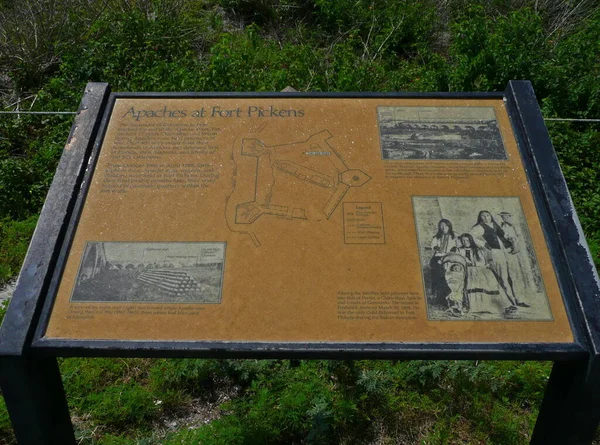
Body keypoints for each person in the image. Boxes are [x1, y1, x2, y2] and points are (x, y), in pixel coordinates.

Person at [470, 210, 530, 309]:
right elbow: (471, 236)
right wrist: (483, 244)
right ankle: (510, 302)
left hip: (506, 251)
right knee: (503, 278)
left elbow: (503, 235)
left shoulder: (495, 224)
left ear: (490, 216)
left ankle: (518, 299)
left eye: (487, 215)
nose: (486, 217)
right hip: (495, 253)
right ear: (480, 218)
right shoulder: (479, 227)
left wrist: (509, 238)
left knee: (513, 276)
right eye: (483, 216)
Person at [455, 233, 514, 315]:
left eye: (467, 240)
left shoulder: (477, 249)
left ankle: (490, 305)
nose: (466, 242)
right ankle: (472, 306)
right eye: (463, 240)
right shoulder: (459, 250)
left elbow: (482, 261)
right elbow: (458, 260)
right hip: (466, 269)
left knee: (488, 278)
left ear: (471, 240)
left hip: (477, 268)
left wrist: (474, 264)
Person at [429, 219, 458, 302]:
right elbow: (433, 245)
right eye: (441, 226)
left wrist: (453, 249)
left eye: (445, 225)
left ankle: (449, 293)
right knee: (437, 270)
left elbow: (458, 245)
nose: (443, 227)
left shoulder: (455, 235)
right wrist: (437, 248)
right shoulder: (437, 236)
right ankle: (438, 293)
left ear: (449, 226)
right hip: (439, 256)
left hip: (450, 256)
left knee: (447, 272)